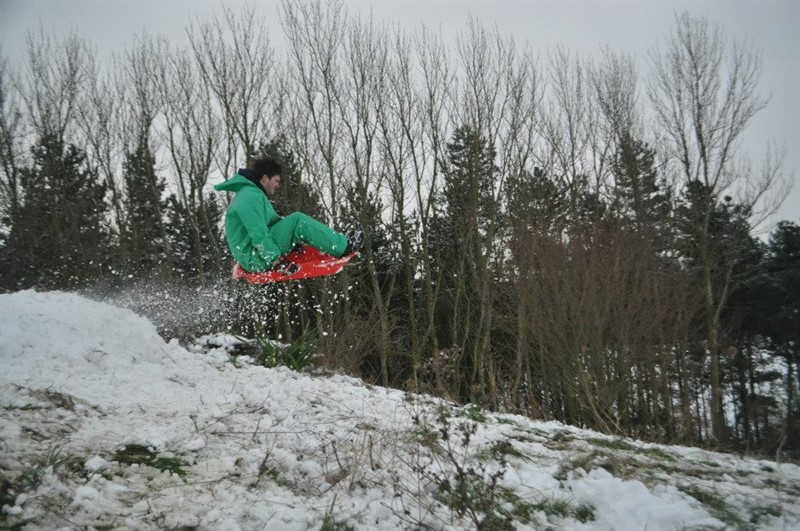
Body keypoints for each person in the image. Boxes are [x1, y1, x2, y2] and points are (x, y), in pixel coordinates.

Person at [214, 158, 363, 273]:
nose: (278, 185)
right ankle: (344, 246)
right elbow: (258, 232)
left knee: (295, 223)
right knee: (298, 221)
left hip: (256, 253)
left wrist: (291, 239)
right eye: (276, 180)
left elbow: (270, 225)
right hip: (255, 257)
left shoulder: (252, 194)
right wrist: (276, 260)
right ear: (265, 178)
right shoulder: (249, 197)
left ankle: (337, 242)